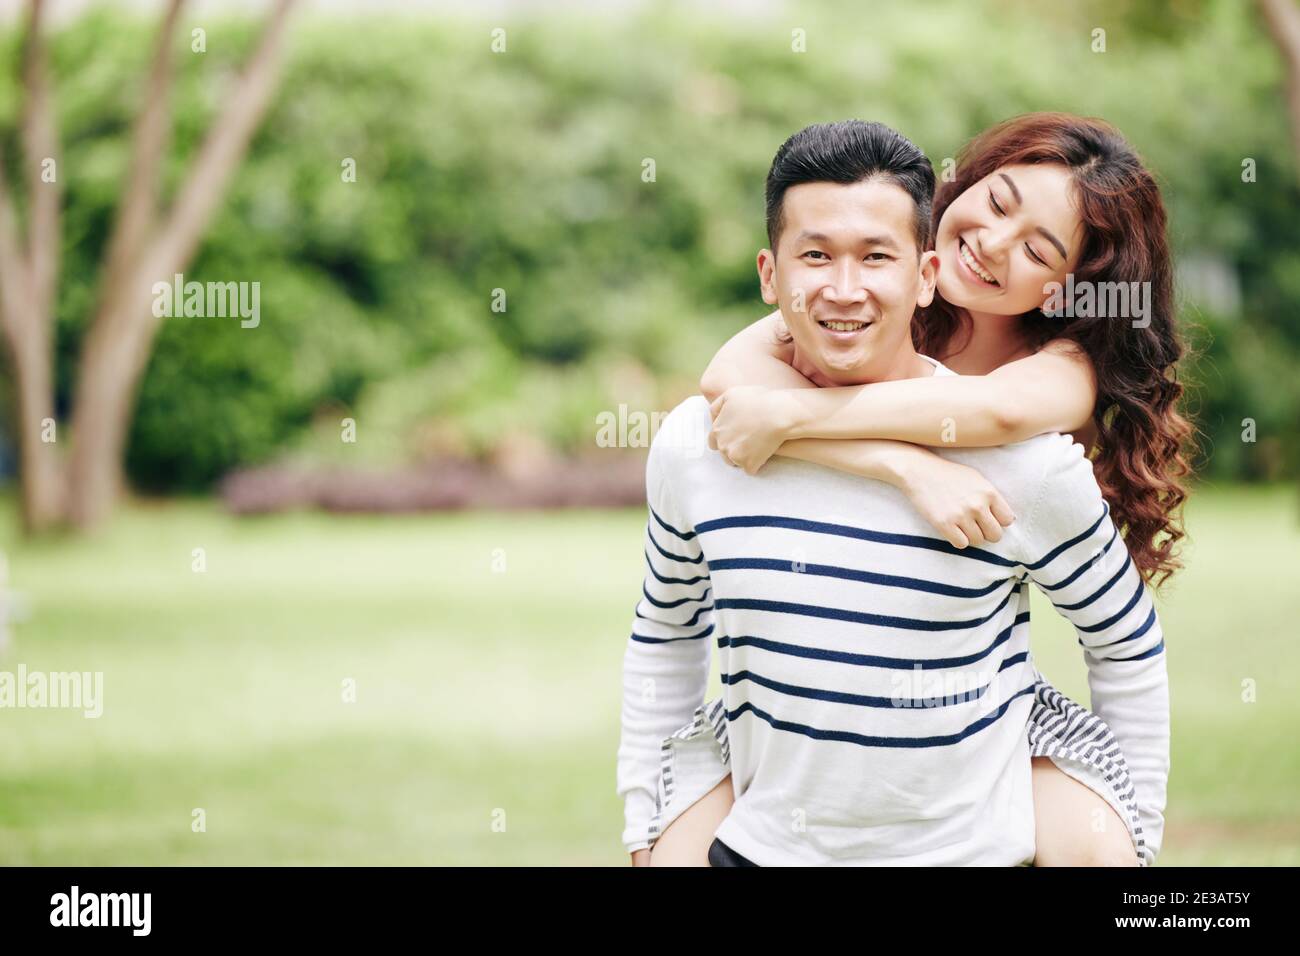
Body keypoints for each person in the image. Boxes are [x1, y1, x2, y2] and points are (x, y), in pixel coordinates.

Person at [616, 120, 1171, 866]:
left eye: (1039, 248)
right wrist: (907, 467)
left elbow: (993, 416)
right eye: (998, 201)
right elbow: (729, 383)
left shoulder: (1049, 389)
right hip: (784, 725)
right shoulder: (854, 284)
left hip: (974, 717)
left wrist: (795, 417)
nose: (996, 243)